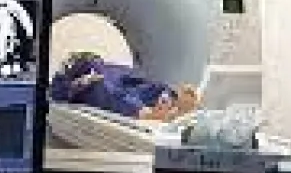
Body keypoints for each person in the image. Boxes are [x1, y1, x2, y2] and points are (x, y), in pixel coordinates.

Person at [50, 52, 200, 122]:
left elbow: (138, 82)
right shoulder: (70, 69)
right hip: (91, 84)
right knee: (105, 90)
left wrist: (168, 94)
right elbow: (57, 93)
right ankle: (148, 112)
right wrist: (81, 82)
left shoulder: (105, 65)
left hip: (114, 77)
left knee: (138, 84)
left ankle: (171, 99)